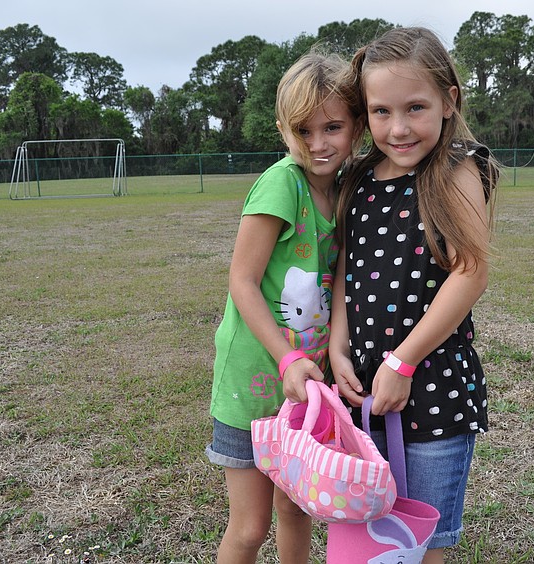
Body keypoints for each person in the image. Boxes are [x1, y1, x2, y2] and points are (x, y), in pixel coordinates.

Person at [328, 27, 498, 564]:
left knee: (422, 542)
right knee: (368, 534)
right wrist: (337, 346)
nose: (398, 128)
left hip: (434, 390)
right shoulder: (357, 177)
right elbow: (345, 270)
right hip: (360, 391)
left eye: (416, 107)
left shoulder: (459, 167)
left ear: (449, 100)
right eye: (381, 111)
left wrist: (403, 362)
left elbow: (469, 272)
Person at [206, 51, 364, 564]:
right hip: (253, 384)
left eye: (333, 126)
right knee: (250, 528)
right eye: (303, 130)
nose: (319, 144)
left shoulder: (344, 190)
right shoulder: (281, 183)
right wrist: (286, 356)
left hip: (306, 389)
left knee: (297, 511)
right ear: (282, 129)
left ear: (356, 125)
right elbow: (243, 280)